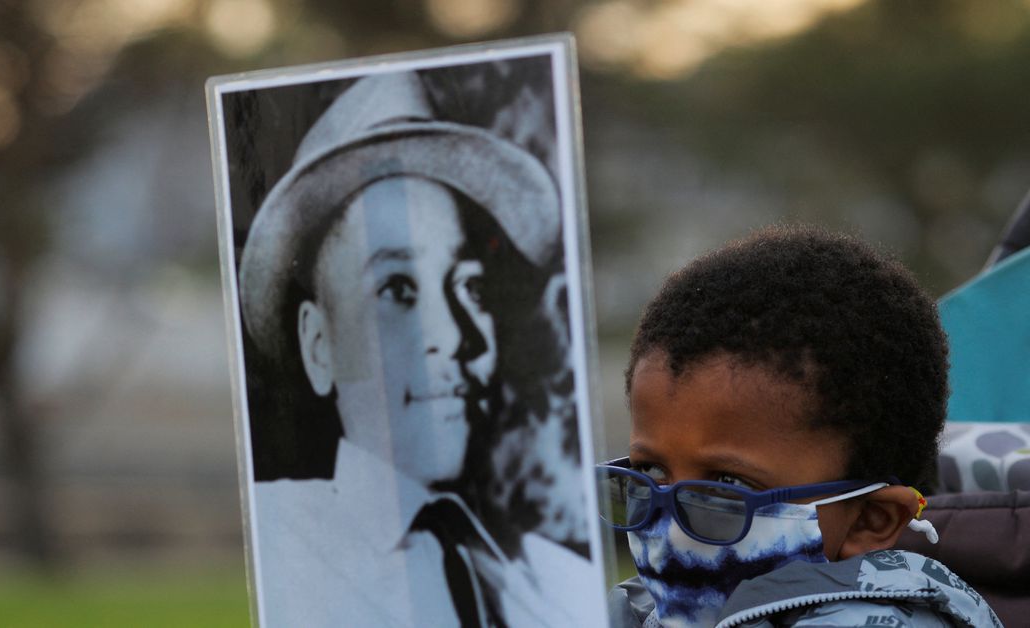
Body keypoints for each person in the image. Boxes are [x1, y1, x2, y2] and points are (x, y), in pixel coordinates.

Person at [238, 71, 603, 627]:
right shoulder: (272, 550)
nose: (458, 338)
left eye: (471, 289)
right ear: (318, 345)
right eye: (398, 290)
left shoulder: (563, 588)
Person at [602, 226, 1004, 627]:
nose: (668, 534)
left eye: (728, 486)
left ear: (869, 520)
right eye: (649, 471)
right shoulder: (628, 612)